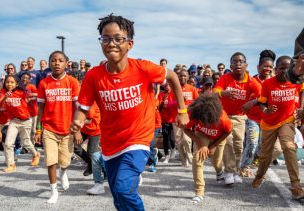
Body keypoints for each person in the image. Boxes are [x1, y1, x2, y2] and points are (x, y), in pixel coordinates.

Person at [70, 14, 188, 211]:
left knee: (124, 189)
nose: (111, 43)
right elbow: (83, 107)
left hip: (138, 140)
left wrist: (182, 110)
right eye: (106, 39)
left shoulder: (143, 69)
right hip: (110, 143)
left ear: (129, 44)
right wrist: (77, 122)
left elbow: (174, 77)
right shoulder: (93, 76)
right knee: (118, 194)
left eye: (118, 38)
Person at [251, 55, 304, 200]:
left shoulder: (296, 80)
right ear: (275, 69)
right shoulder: (268, 83)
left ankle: (296, 185)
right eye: (281, 68)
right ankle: (259, 176)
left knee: (288, 146)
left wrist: (302, 107)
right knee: (265, 155)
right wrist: (265, 110)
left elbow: (302, 91)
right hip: (269, 123)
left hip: (287, 120)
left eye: (288, 69)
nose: (284, 72)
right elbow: (262, 102)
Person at [35, 51, 80, 204]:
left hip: (68, 130)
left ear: (66, 63)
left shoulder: (73, 82)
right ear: (49, 64)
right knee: (51, 161)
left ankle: (64, 172)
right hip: (49, 129)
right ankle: (53, 191)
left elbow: (77, 107)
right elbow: (40, 108)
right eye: (53, 60)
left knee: (65, 161)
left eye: (60, 60)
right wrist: (38, 129)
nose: (57, 63)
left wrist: (78, 129)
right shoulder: (44, 83)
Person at [214, 52, 261, 185]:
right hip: (224, 115)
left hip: (240, 117)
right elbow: (214, 92)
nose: (238, 63)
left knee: (238, 145)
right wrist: (223, 93)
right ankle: (229, 172)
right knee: (228, 142)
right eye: (235, 62)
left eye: (241, 61)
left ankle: (235, 171)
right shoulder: (225, 78)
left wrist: (252, 102)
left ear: (246, 65)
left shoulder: (251, 81)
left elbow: (263, 96)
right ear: (231, 65)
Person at [184, 93, 232, 203]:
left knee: (216, 161)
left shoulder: (223, 119)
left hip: (219, 138)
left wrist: (214, 146)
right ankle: (199, 192)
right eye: (202, 121)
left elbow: (228, 131)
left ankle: (219, 172)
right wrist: (202, 144)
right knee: (197, 160)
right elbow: (185, 129)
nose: (205, 123)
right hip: (202, 135)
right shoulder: (197, 114)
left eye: (207, 121)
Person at [239, 50, 275, 177]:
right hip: (252, 119)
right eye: (265, 66)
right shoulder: (251, 81)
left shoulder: (275, 83)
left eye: (270, 67)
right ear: (258, 67)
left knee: (262, 146)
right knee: (252, 142)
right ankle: (244, 166)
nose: (267, 69)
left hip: (268, 120)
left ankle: (257, 162)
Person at [0, 75, 41, 173]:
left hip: (25, 121)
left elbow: (37, 96)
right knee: (8, 143)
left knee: (25, 142)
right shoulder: (3, 92)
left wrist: (30, 99)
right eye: (7, 82)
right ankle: (11, 164)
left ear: (16, 84)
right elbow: (1, 106)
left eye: (12, 82)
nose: (9, 84)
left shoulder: (22, 92)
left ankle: (36, 154)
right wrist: (5, 98)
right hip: (14, 121)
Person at [175, 69, 199, 167]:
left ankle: (189, 157)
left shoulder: (192, 89)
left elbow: (197, 102)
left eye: (185, 76)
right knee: (178, 140)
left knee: (186, 139)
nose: (183, 78)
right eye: (181, 76)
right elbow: (171, 103)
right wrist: (179, 101)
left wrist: (188, 105)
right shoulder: (175, 88)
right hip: (176, 118)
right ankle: (183, 158)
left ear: (188, 77)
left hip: (188, 118)